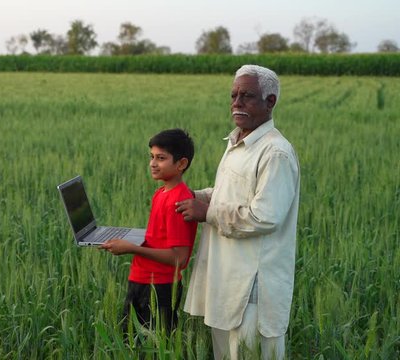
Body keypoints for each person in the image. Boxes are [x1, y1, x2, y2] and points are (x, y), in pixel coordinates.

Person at [177, 65, 300, 360]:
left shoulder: (275, 153)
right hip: (227, 276)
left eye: (247, 96)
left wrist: (207, 211)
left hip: (253, 284)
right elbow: (229, 194)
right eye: (233, 95)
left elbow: (264, 216)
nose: (237, 102)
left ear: (270, 102)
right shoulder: (238, 142)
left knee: (249, 352)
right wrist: (192, 196)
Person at [100, 128, 198, 338]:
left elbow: (179, 258)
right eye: (151, 157)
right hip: (143, 280)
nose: (153, 163)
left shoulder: (178, 201)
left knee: (152, 347)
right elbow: (160, 236)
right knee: (131, 343)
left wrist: (131, 248)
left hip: (158, 287)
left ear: (181, 164)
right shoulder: (161, 192)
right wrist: (131, 239)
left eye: (161, 158)